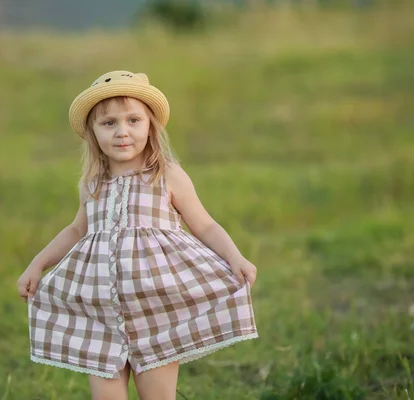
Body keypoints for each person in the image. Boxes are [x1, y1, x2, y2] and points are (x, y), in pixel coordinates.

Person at [17, 70, 258, 400]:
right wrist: (37, 264)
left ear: (150, 125)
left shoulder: (167, 175)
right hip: (99, 312)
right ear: (93, 132)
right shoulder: (92, 184)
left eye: (133, 120)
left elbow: (204, 225)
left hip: (155, 312)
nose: (122, 132)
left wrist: (235, 257)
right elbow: (76, 230)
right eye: (109, 123)